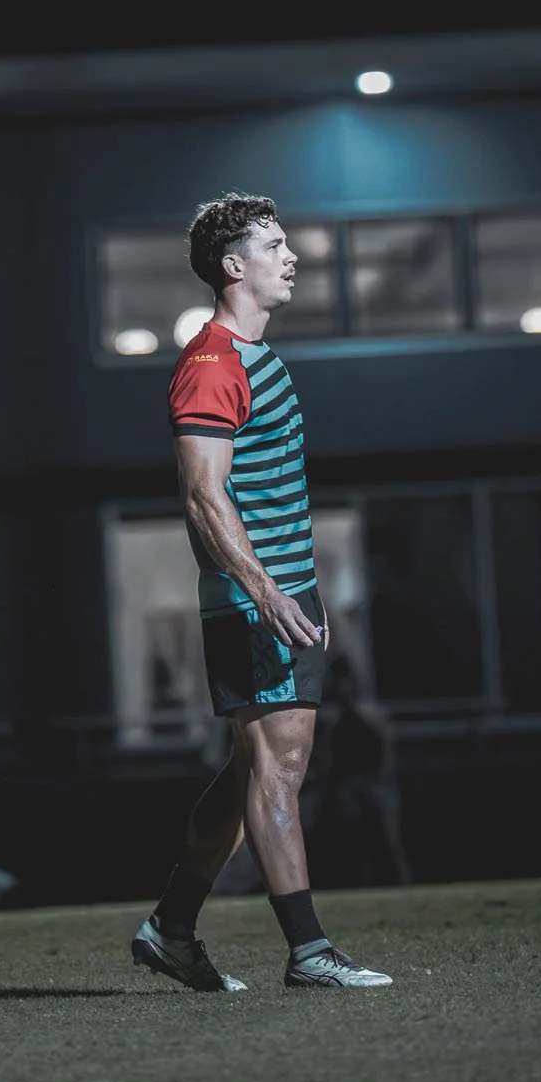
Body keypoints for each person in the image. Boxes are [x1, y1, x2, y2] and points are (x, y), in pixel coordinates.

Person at [131, 192, 393, 991]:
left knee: (252, 774)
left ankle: (170, 930)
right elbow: (203, 496)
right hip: (256, 603)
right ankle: (308, 951)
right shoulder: (211, 363)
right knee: (278, 768)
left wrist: (300, 594)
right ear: (232, 266)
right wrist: (264, 590)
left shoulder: (256, 356)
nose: (292, 258)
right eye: (275, 246)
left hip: (285, 595)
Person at [313, 653, 412, 889]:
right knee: (363, 842)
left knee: (385, 841)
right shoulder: (343, 721)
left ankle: (398, 884)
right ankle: (374, 883)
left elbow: (383, 755)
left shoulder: (366, 717)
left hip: (372, 785)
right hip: (359, 785)